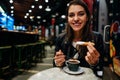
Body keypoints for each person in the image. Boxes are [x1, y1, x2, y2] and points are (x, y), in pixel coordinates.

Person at [53, 0, 104, 77]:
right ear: (68, 19)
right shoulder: (60, 39)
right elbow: (55, 66)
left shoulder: (97, 38)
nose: (76, 19)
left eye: (81, 14)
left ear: (87, 17)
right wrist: (57, 63)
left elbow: (101, 69)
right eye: (71, 15)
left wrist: (95, 63)